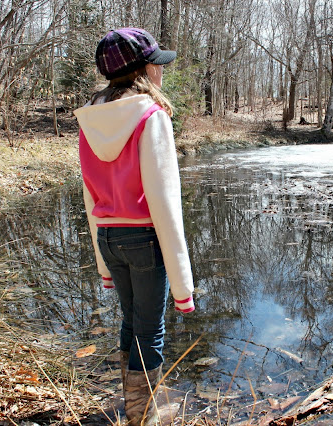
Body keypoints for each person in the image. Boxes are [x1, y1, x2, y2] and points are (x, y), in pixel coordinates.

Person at [74, 28, 194, 425]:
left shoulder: (90, 119)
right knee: (151, 331)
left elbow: (90, 197)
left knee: (131, 322)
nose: (161, 72)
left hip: (108, 235)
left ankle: (133, 409)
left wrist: (103, 263)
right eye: (156, 64)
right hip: (144, 238)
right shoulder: (151, 116)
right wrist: (183, 286)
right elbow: (164, 201)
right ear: (144, 70)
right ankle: (146, 415)